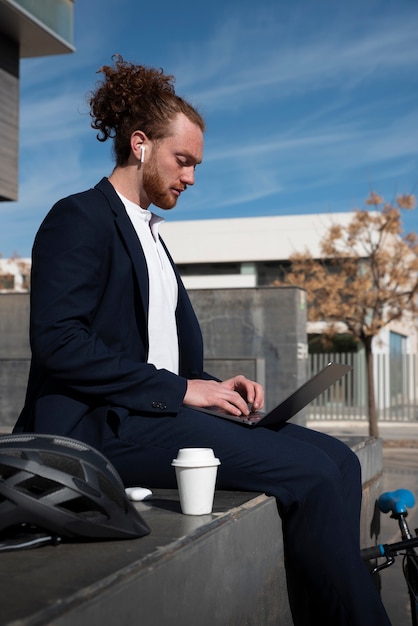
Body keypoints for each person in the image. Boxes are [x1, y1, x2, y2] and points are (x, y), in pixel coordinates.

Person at [14, 55, 391, 626]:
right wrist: (185, 392)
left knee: (337, 460)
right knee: (309, 476)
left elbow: (163, 358)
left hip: (156, 412)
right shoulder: (78, 218)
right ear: (139, 144)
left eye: (196, 165)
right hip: (106, 429)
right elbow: (60, 343)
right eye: (182, 160)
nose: (191, 177)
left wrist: (214, 386)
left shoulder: (153, 239)